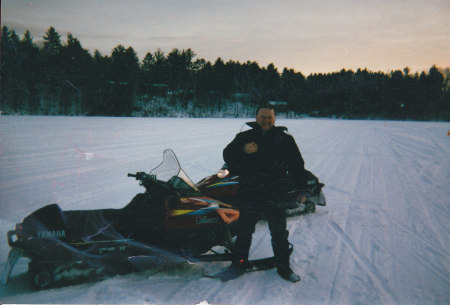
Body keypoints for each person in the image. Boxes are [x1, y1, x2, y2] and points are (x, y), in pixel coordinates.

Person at [223, 104, 308, 282]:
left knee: (279, 233)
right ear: (256, 117)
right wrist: (242, 150)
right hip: (249, 192)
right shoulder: (244, 137)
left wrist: (302, 189)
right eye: (263, 117)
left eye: (269, 117)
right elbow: (227, 154)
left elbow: (297, 166)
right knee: (244, 232)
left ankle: (284, 267)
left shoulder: (284, 140)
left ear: (275, 119)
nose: (266, 120)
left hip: (275, 193)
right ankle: (238, 265)